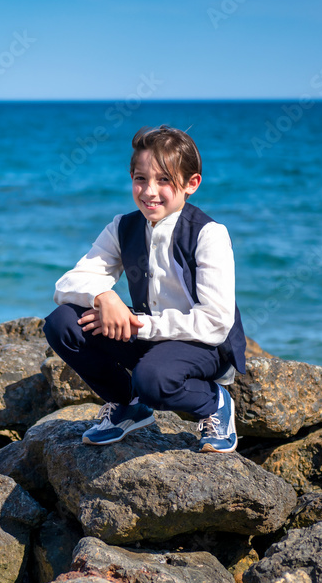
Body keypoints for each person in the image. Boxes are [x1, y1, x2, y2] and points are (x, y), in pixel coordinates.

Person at [42, 125, 246, 452]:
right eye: (141, 178)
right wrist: (104, 296)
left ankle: (214, 402)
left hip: (202, 344)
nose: (150, 191)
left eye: (164, 180)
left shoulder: (209, 234)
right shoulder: (123, 227)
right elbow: (69, 282)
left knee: (151, 379)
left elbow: (216, 322)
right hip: (147, 334)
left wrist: (140, 324)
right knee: (62, 323)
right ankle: (128, 404)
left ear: (191, 183)